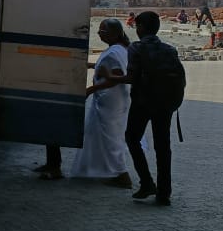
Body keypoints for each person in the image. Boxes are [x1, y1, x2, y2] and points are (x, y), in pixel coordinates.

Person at [105, 11, 184, 206]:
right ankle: (164, 192)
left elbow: (131, 78)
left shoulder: (136, 48)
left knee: (132, 138)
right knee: (163, 146)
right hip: (166, 103)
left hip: (143, 102)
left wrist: (111, 77)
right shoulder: (169, 49)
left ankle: (147, 182)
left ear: (140, 28)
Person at [70, 19, 133, 187]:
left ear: (113, 33)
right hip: (113, 101)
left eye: (103, 31)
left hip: (109, 101)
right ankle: (106, 170)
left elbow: (115, 77)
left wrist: (91, 89)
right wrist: (90, 65)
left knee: (109, 138)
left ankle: (121, 174)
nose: (99, 34)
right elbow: (105, 68)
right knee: (104, 136)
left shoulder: (114, 52)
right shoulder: (120, 49)